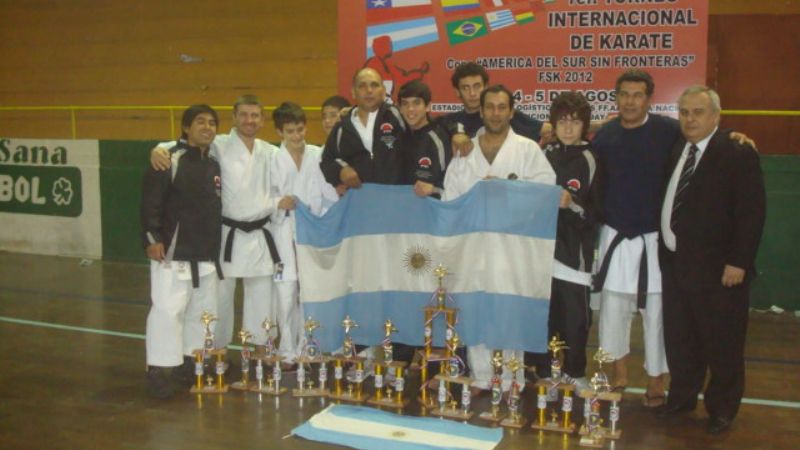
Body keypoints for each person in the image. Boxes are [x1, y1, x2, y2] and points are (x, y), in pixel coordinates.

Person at [591, 70, 755, 407]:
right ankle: (619, 375)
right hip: (617, 234)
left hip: (655, 242)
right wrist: (545, 131)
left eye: (637, 95)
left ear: (649, 99)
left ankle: (656, 382)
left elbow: (707, 139)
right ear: (616, 98)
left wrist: (733, 135)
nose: (630, 101)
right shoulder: (605, 135)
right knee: (613, 310)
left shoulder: (669, 131)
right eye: (624, 94)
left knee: (658, 315)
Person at [657, 86, 765, 435]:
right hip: (676, 265)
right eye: (684, 111)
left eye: (698, 112)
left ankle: (721, 409)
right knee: (681, 338)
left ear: (716, 116)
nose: (690, 118)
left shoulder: (736, 151)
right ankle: (682, 397)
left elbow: (751, 213)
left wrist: (739, 262)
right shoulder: (678, 147)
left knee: (723, 344)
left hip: (720, 271)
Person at [150, 95, 293, 359]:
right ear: (234, 118)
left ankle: (262, 347)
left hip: (260, 234)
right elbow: (181, 145)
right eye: (244, 115)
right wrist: (158, 149)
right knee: (220, 298)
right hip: (226, 234)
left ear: (262, 119)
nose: (249, 121)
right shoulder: (220, 144)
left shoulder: (270, 151)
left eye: (255, 115)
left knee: (262, 295)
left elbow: (299, 154)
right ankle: (218, 349)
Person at [443, 85, 556, 393]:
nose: (495, 112)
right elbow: (450, 196)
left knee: (510, 310)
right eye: (489, 107)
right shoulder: (465, 151)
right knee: (476, 307)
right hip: (473, 246)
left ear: (511, 111)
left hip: (513, 246)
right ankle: (482, 376)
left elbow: (546, 190)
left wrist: (506, 191)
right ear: (481, 111)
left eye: (501, 107)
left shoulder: (527, 149)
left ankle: (512, 379)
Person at [140, 104, 222, 399]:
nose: (207, 127)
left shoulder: (214, 161)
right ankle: (160, 369)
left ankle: (192, 363)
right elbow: (151, 202)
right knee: (167, 309)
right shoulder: (167, 158)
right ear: (186, 127)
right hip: (172, 251)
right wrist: (151, 237)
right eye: (200, 122)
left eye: (212, 123)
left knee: (201, 313)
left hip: (205, 252)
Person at [269, 101, 339, 367]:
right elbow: (268, 193)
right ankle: (286, 350)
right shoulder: (274, 158)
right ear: (280, 132)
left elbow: (327, 192)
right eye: (290, 131)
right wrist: (278, 202)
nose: (297, 136)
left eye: (300, 130)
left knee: (309, 290)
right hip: (283, 228)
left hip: (312, 229)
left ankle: (308, 346)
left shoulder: (317, 154)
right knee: (286, 292)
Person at [540, 92, 599, 392]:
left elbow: (597, 207)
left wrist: (572, 203)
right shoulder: (545, 152)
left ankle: (576, 372)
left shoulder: (591, 157)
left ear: (584, 125)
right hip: (542, 251)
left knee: (575, 318)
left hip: (574, 251)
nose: (567, 127)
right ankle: (551, 373)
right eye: (562, 121)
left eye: (575, 122)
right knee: (548, 318)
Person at [320, 67, 410, 192]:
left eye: (374, 85)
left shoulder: (397, 117)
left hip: (396, 201)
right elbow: (327, 161)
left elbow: (421, 144)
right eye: (362, 86)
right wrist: (341, 170)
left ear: (384, 92)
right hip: (359, 203)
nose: (369, 90)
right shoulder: (342, 127)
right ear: (353, 92)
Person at [440, 62, 548, 143]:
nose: (472, 93)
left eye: (477, 86)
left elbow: (548, 131)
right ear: (457, 92)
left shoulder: (504, 114)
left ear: (486, 87)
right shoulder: (448, 122)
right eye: (465, 88)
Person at [395, 80, 452, 198]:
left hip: (430, 210)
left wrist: (433, 188)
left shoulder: (438, 138)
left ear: (427, 106)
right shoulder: (398, 135)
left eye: (416, 103)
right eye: (405, 104)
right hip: (400, 209)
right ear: (399, 108)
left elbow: (452, 180)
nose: (410, 109)